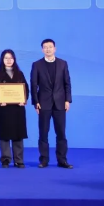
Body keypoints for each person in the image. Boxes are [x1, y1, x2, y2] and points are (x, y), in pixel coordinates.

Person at [30, 39, 73, 169]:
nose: (48, 49)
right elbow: (33, 85)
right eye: (45, 47)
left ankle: (62, 160)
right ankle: (44, 160)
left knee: (61, 133)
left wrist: (67, 100)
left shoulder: (63, 64)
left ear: (55, 48)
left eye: (50, 47)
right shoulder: (37, 65)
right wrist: (36, 102)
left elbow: (67, 83)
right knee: (43, 133)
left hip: (60, 103)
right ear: (42, 49)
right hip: (43, 103)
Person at [0, 50, 28, 168]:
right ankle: (5, 159)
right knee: (4, 134)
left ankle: (18, 160)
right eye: (6, 58)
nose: (9, 60)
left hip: (17, 109)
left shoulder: (19, 74)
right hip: (3, 109)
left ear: (14, 59)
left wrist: (24, 99)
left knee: (18, 134)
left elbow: (26, 89)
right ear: (2, 60)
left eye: (11, 58)